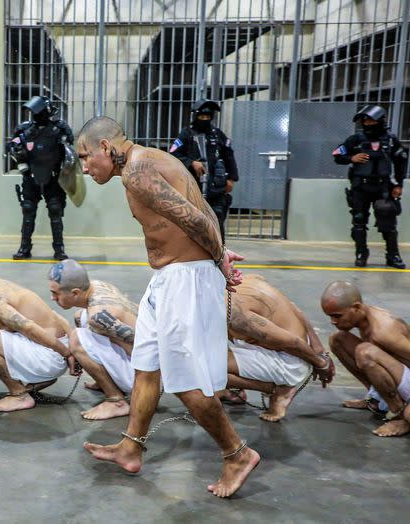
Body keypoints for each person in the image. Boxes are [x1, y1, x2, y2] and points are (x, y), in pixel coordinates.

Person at [76, 116, 255, 498]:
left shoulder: (137, 170)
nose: (85, 167)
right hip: (170, 279)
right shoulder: (153, 159)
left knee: (185, 382)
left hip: (184, 281)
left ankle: (237, 453)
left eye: (85, 156)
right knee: (146, 367)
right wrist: (217, 255)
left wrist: (219, 258)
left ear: (106, 148)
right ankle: (131, 447)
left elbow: (191, 217)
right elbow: (203, 206)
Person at [0, 263, 73, 413]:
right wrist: (69, 349)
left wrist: (67, 353)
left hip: (51, 356)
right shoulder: (3, 285)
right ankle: (40, 379)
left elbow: (28, 327)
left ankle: (19, 395)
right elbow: (54, 315)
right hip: (57, 352)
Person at [224, 274, 334, 422]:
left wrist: (320, 362)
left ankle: (279, 390)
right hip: (291, 343)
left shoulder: (235, 314)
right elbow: (293, 307)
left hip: (290, 360)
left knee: (205, 368)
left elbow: (291, 342)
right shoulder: (244, 280)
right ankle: (234, 389)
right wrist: (318, 348)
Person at [47, 259, 137, 420]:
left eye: (56, 293)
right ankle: (108, 382)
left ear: (75, 293)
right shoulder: (96, 286)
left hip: (145, 375)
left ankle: (116, 400)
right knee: (80, 317)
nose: (52, 298)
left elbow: (143, 345)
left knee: (76, 338)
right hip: (143, 363)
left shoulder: (98, 314)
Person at [321, 281, 410, 437]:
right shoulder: (365, 320)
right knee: (338, 339)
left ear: (357, 308)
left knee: (365, 352)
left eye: (337, 316)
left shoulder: (384, 331)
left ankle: (398, 413)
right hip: (399, 374)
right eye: (330, 316)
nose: (333, 322)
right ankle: (377, 399)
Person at [333, 105, 408, 268]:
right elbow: (337, 155)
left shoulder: (390, 140)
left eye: (371, 119)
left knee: (388, 221)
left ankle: (393, 255)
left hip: (383, 187)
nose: (367, 123)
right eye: (364, 120)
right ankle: (361, 253)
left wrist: (399, 184)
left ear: (380, 120)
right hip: (361, 187)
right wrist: (352, 158)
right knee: (359, 221)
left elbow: (401, 162)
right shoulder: (355, 139)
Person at [9, 96, 74, 260]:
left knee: (55, 211)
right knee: (28, 211)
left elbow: (69, 146)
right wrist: (18, 151)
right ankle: (24, 249)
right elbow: (13, 143)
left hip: (53, 178)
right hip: (31, 177)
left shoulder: (58, 129)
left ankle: (59, 250)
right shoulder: (25, 130)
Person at [170, 99, 238, 240]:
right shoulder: (186, 134)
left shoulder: (217, 134)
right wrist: (191, 162)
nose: (205, 120)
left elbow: (229, 156)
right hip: (192, 189)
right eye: (202, 117)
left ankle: (219, 258)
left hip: (215, 190)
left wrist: (231, 178)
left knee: (216, 225)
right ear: (196, 116)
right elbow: (173, 155)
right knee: (192, 225)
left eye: (208, 117)